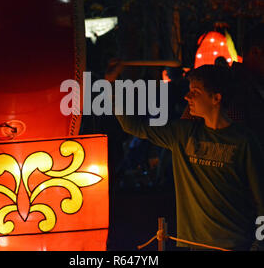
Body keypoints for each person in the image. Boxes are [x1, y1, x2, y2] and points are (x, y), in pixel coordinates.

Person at [105, 62, 264, 251]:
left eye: (195, 92)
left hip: (235, 245)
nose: (187, 96)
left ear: (216, 98)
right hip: (193, 244)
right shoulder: (182, 134)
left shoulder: (244, 141)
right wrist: (111, 85)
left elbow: (261, 200)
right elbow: (133, 126)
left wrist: (258, 244)